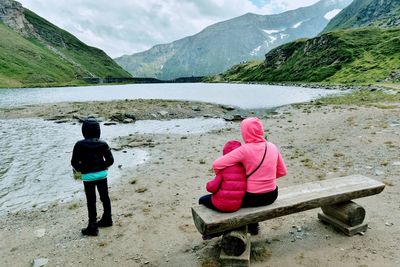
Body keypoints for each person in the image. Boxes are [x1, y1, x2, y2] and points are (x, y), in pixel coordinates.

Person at [212, 117, 287, 235]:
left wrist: (222, 178)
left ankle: (217, 231)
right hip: (272, 195)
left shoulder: (244, 150)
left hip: (252, 197)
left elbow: (217, 164)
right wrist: (265, 179)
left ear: (245, 132)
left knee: (217, 200)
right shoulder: (272, 146)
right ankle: (253, 227)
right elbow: (282, 171)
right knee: (244, 201)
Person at [71, 117, 114, 236]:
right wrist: (103, 166)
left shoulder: (79, 145)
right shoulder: (103, 143)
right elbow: (110, 160)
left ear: (83, 131)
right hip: (102, 175)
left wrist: (81, 171)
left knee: (91, 200)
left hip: (87, 177)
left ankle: (92, 226)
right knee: (105, 197)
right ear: (98, 130)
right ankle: (107, 219)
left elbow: (74, 162)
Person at [199, 140, 247, 212]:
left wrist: (208, 184)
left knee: (202, 199)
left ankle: (210, 221)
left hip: (221, 205)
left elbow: (212, 188)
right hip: (236, 206)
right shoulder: (244, 168)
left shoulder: (223, 168)